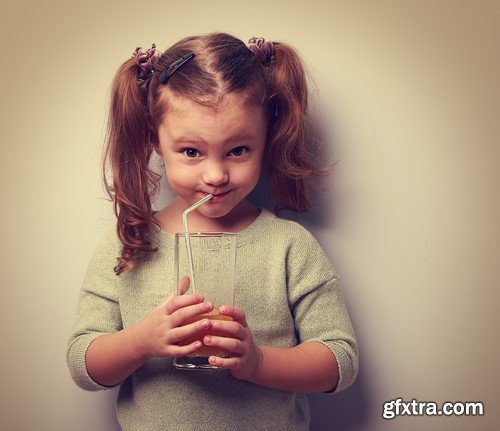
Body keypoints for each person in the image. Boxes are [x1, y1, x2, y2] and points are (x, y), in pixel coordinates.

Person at [66, 32, 358, 431]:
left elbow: (339, 362)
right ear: (156, 141)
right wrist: (141, 340)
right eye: (191, 152)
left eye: (238, 150)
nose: (216, 175)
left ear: (265, 139)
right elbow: (83, 364)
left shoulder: (289, 246)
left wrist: (257, 362)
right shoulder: (129, 244)